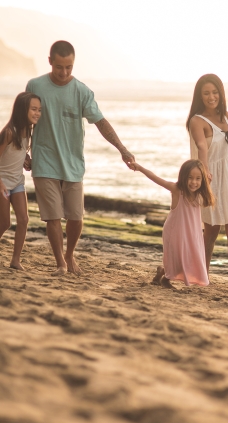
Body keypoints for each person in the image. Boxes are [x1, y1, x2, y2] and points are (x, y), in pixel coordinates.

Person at [25, 40, 135, 276]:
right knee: (53, 216)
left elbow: (101, 122)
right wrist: (23, 151)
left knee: (76, 217)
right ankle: (60, 264)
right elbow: (25, 120)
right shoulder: (35, 86)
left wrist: (122, 149)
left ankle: (69, 254)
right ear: (50, 62)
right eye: (59, 67)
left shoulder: (82, 91)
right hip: (43, 160)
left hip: (73, 164)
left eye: (69, 68)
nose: (64, 73)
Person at [187, 74, 228, 291]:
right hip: (213, 179)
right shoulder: (197, 120)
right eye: (206, 93)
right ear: (200, 95)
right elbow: (201, 146)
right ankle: (202, 276)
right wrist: (204, 169)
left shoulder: (226, 116)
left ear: (221, 94)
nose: (211, 97)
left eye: (215, 92)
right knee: (212, 232)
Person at [130, 159, 215, 288]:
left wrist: (208, 179)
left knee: (186, 258)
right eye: (190, 178)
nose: (194, 182)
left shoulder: (199, 193)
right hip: (175, 231)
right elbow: (156, 179)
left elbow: (206, 183)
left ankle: (161, 272)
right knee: (176, 258)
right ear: (183, 177)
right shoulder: (177, 190)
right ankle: (165, 279)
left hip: (192, 232)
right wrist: (140, 168)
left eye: (198, 179)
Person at [0, 92, 42, 270]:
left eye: (39, 110)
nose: (37, 113)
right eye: (33, 109)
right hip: (2, 182)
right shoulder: (9, 132)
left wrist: (25, 158)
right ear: (22, 110)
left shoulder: (29, 131)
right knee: (5, 223)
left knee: (24, 220)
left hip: (17, 182)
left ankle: (15, 260)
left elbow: (17, 152)